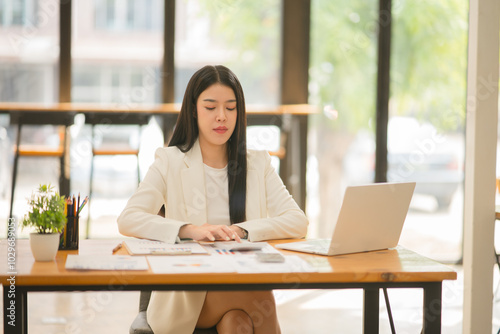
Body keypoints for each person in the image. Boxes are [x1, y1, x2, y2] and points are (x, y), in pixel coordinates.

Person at [118, 65, 308, 334]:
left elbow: (297, 221)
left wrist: (241, 230)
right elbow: (129, 218)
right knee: (261, 297)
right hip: (186, 293)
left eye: (231, 108)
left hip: (241, 279)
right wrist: (190, 230)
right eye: (211, 107)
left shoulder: (258, 163)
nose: (222, 117)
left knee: (237, 324)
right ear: (193, 110)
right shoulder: (169, 160)